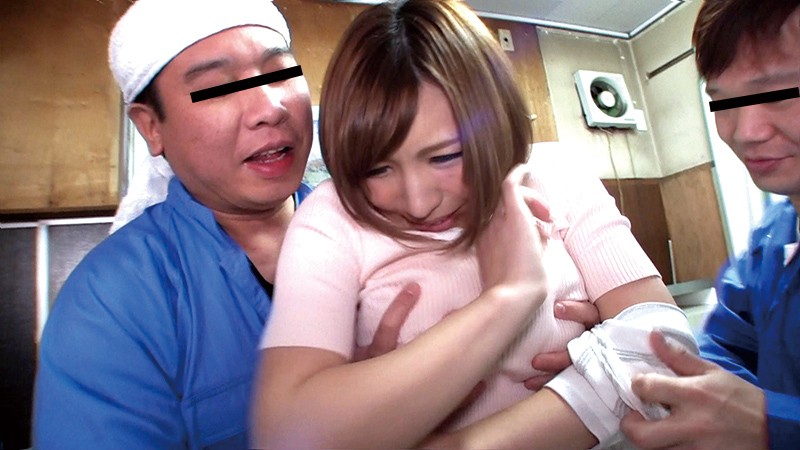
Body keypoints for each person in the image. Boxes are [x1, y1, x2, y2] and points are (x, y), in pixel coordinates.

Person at [250, 1, 697, 449]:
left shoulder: (556, 173)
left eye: (445, 156)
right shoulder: (332, 216)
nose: (419, 202)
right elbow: (289, 435)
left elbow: (665, 350)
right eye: (378, 169)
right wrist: (509, 298)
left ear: (495, 120)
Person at [32, 0, 420, 448]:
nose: (270, 107)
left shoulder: (388, 225)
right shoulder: (110, 306)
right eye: (217, 88)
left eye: (281, 73)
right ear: (151, 127)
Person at [615, 1, 800, 448]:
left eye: (778, 93)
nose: (744, 130)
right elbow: (722, 350)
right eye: (722, 102)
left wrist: (773, 425)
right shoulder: (773, 239)